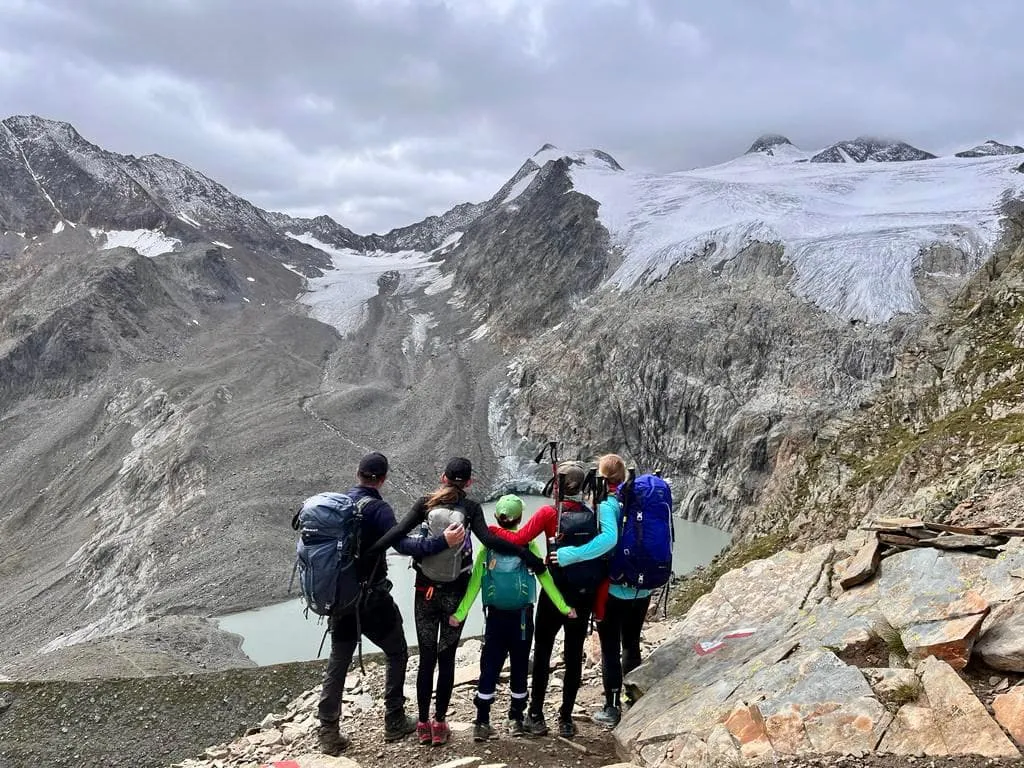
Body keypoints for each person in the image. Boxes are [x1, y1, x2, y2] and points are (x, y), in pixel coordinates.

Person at [367, 457, 545, 746]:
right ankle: (440, 723)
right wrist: (526, 555)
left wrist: (369, 552)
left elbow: (398, 537)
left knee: (426, 658)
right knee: (446, 657)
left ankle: (422, 724)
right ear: (469, 482)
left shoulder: (426, 503)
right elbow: (489, 541)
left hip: (424, 592)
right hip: (455, 591)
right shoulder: (471, 508)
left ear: (443, 476)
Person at [316, 452, 465, 756]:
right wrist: (441, 544)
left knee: (339, 659)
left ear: (358, 473)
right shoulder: (378, 509)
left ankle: (328, 730)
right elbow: (403, 545)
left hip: (340, 597)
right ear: (382, 479)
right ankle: (394, 719)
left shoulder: (342, 505)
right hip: (372, 598)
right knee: (397, 651)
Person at [491, 460, 618, 739]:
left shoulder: (550, 513)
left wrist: (490, 530)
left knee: (544, 652)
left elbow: (519, 538)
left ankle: (535, 714)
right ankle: (566, 718)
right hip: (582, 597)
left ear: (558, 486)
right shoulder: (596, 514)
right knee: (573, 656)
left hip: (554, 594)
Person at [448, 494, 576, 741]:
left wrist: (459, 613)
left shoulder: (488, 548)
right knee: (519, 667)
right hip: (522, 619)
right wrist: (564, 607)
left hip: (495, 618)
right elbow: (544, 578)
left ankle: (482, 722)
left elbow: (475, 583)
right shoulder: (529, 547)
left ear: (496, 517)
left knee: (490, 667)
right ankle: (516, 719)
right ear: (519, 520)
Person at [590, 453, 649, 728]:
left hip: (614, 590)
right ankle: (634, 695)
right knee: (632, 642)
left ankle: (612, 708)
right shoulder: (638, 498)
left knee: (610, 647)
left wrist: (571, 555)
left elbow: (608, 540)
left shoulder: (608, 504)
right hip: (642, 588)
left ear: (603, 478)